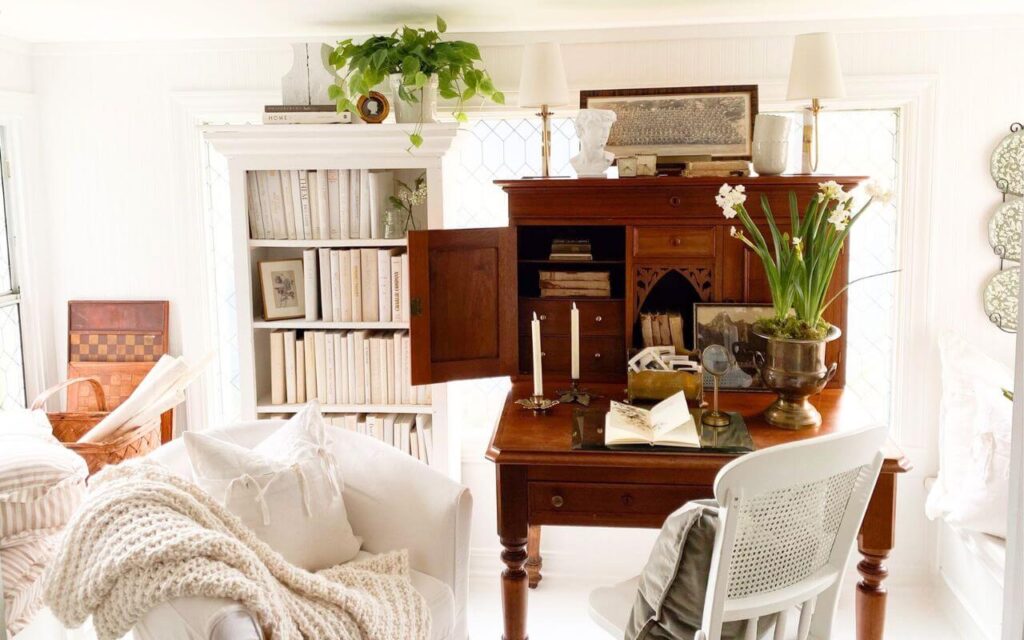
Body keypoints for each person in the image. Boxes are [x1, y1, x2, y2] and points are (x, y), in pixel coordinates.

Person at [570, 109, 617, 177]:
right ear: (582, 130)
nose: (606, 134)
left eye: (608, 128)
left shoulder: (609, 159)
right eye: (600, 128)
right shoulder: (574, 162)